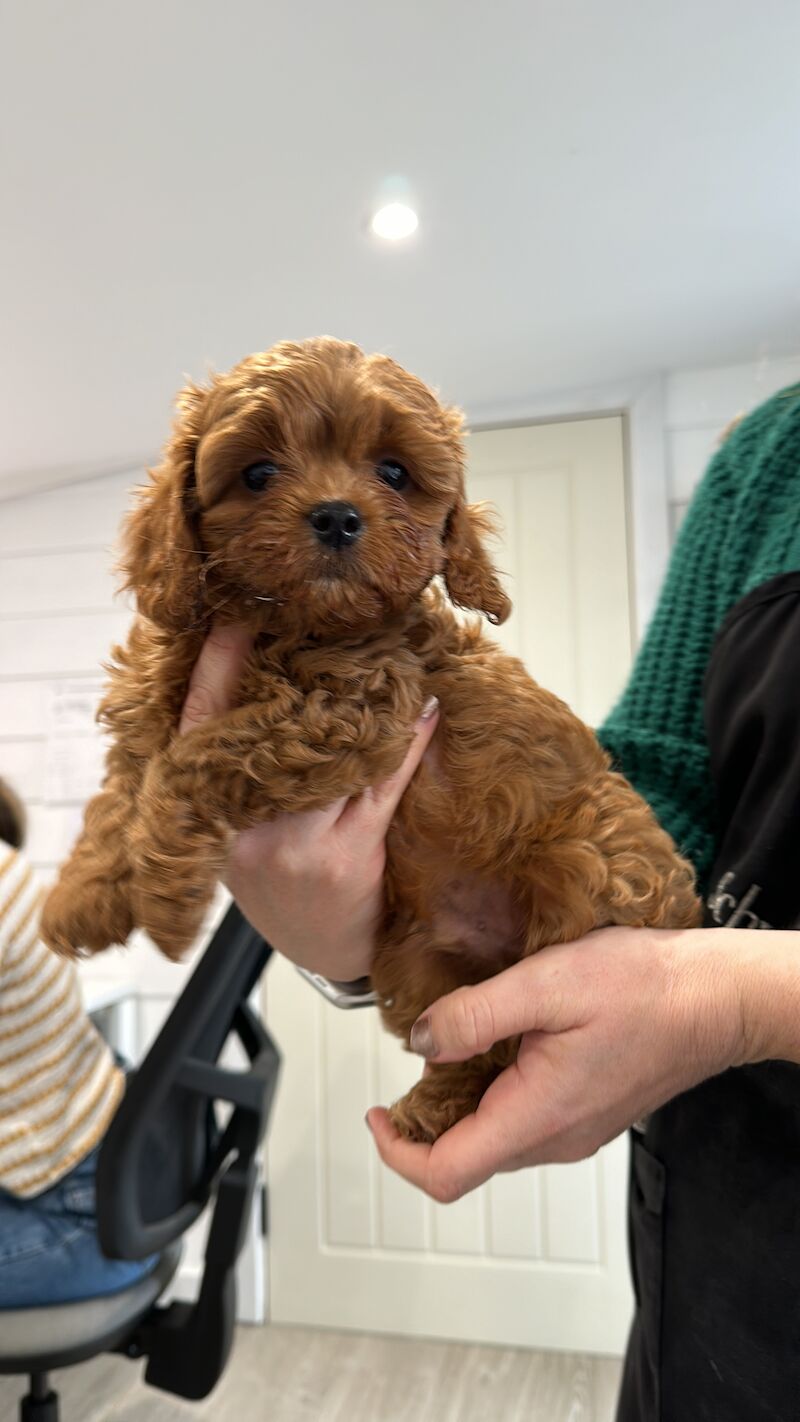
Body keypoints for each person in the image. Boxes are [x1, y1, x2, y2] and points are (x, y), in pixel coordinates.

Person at [186, 380, 800, 1421]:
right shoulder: (772, 455)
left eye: (390, 475)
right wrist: (375, 927)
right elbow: (655, 782)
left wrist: (737, 1001)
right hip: (719, 1201)